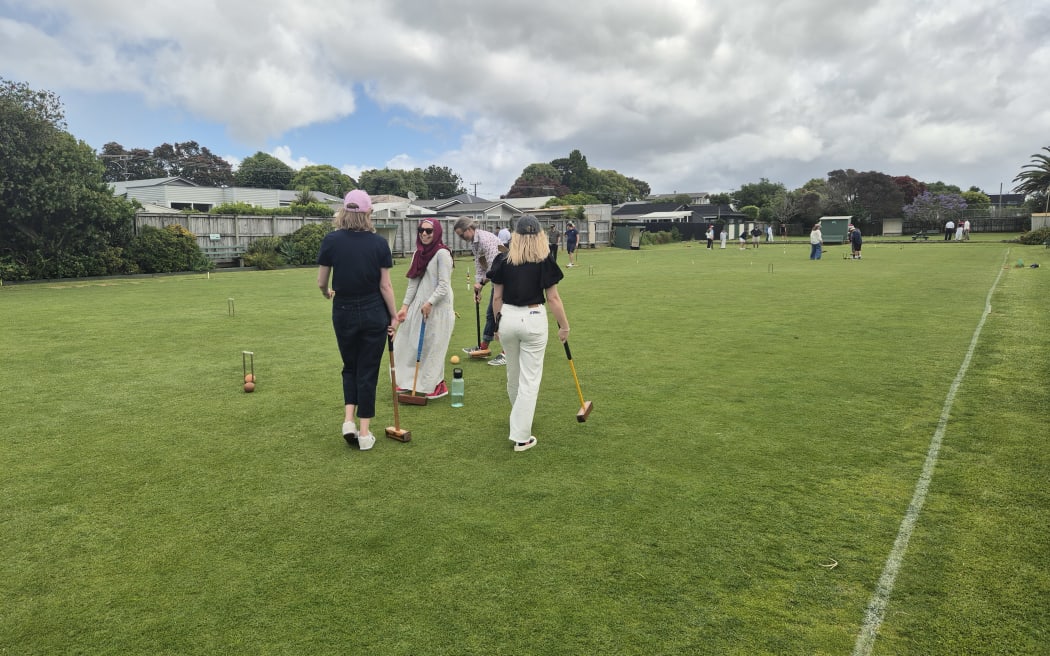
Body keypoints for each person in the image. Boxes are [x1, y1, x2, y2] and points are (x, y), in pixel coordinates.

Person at [317, 190, 399, 451]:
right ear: (368, 213)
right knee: (368, 370)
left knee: (349, 365)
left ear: (344, 211)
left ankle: (348, 421)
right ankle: (364, 433)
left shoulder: (331, 240)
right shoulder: (379, 244)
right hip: (374, 310)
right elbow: (385, 286)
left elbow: (321, 281)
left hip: (343, 310)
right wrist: (394, 317)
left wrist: (326, 292)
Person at [487, 215, 570, 452]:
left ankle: (519, 419)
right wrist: (564, 326)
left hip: (508, 319)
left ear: (516, 235)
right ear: (540, 235)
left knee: (514, 374)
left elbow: (497, 298)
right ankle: (522, 436)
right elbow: (553, 298)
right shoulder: (544, 259)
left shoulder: (502, 259)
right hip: (533, 319)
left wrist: (495, 326)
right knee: (529, 379)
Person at [394, 219, 455, 399]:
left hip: (438, 307)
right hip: (420, 306)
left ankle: (437, 384)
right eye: (421, 230)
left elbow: (444, 285)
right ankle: (408, 381)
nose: (424, 234)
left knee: (434, 347)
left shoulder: (442, 254)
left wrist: (430, 302)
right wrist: (405, 307)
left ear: (436, 232)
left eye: (429, 231)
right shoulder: (418, 253)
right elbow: (413, 283)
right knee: (411, 344)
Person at [453, 217, 506, 366]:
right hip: (497, 278)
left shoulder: (485, 240)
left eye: (462, 234)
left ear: (469, 229)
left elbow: (494, 268)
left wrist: (482, 283)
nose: (461, 238)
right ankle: (483, 347)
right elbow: (480, 266)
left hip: (507, 278)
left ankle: (506, 352)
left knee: (499, 314)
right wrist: (478, 287)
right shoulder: (475, 244)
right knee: (491, 313)